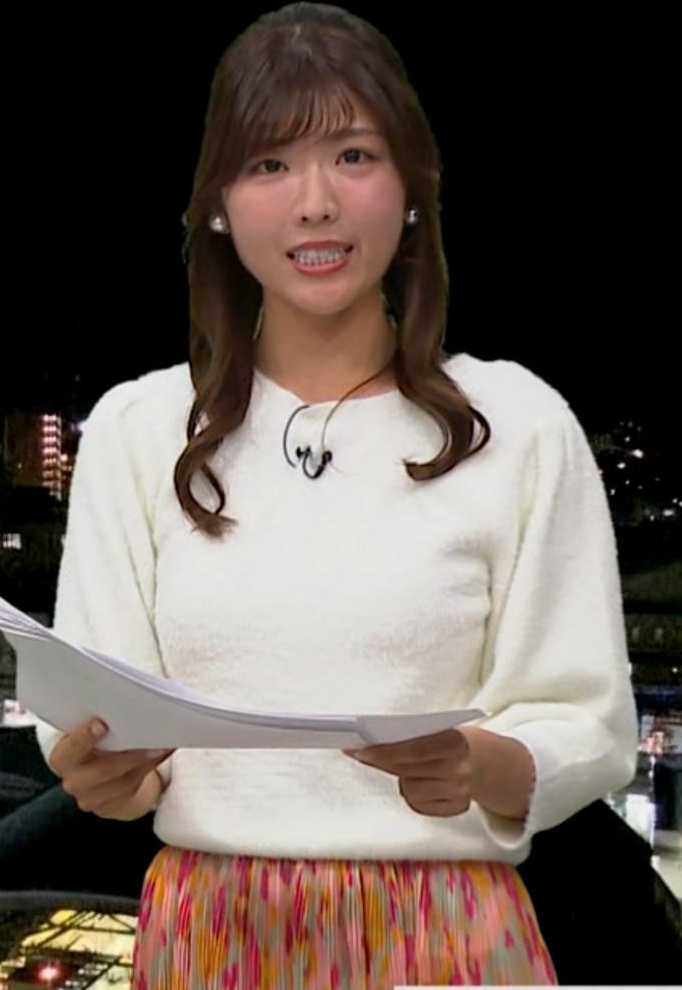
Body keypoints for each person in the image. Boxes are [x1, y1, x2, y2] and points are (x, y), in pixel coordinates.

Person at [36, 3, 639, 987]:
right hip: (210, 926)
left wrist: (481, 765)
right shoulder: (140, 429)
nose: (314, 203)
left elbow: (589, 720)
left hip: (446, 927)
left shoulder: (519, 422)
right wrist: (106, 775)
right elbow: (104, 717)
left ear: (411, 190)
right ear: (219, 205)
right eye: (269, 163)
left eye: (353, 156)